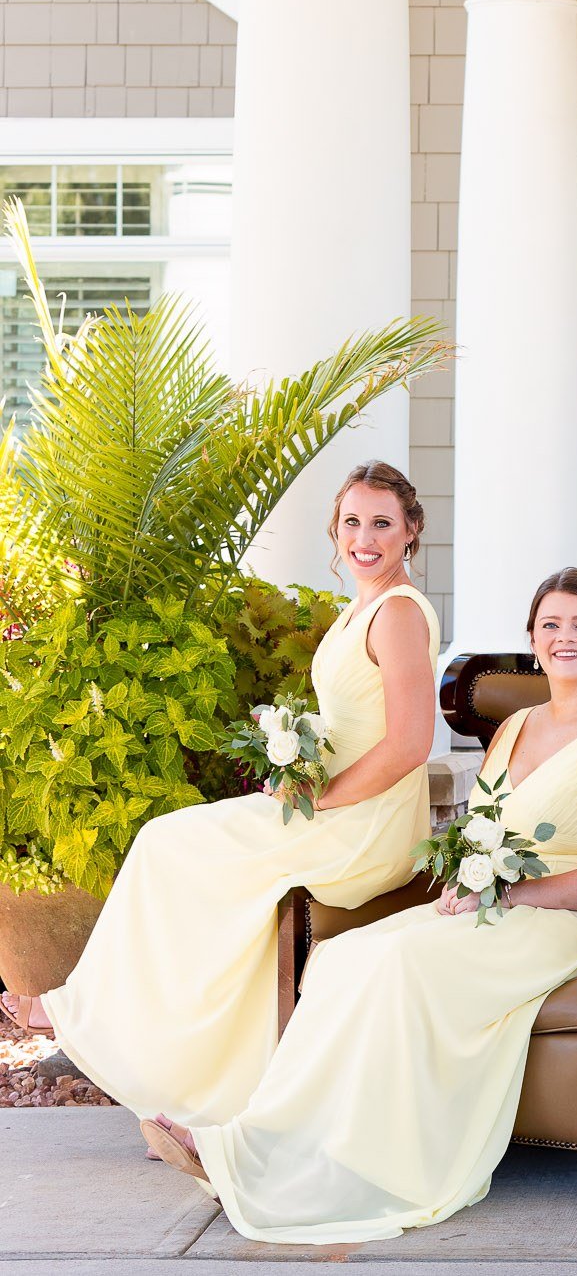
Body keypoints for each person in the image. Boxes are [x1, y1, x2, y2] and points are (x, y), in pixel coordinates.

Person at [139, 570, 577, 1245]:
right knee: (344, 955)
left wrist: (515, 890)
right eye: (550, 624)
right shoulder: (513, 726)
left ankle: (348, 1164)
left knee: (401, 957)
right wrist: (467, 876)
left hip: (565, 921)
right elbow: (476, 830)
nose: (565, 637)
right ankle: (270, 1144)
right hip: (485, 904)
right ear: (532, 640)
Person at [46, 461, 439, 1131]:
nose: (363, 537)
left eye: (381, 522)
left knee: (167, 845)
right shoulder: (364, 606)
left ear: (411, 531)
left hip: (367, 825)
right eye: (351, 521)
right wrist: (297, 756)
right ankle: (193, 1081)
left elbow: (409, 743)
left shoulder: (398, 612)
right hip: (336, 805)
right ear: (335, 529)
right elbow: (356, 720)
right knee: (179, 858)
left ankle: (92, 1020)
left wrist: (328, 797)